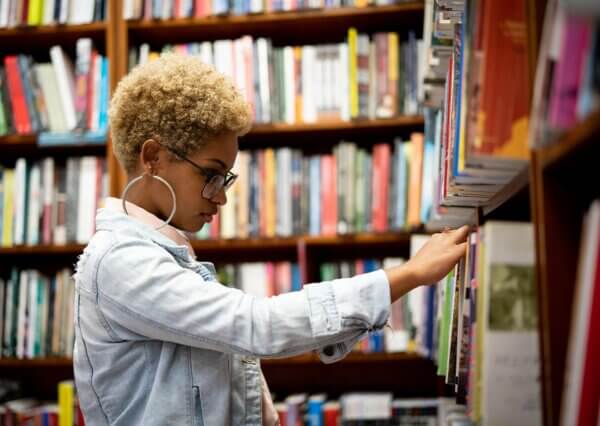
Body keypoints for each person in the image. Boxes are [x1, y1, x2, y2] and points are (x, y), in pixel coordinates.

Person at [73, 53, 468, 426]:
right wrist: (411, 274)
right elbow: (255, 325)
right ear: (153, 157)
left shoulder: (165, 251)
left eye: (225, 178)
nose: (221, 196)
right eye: (210, 173)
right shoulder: (120, 260)